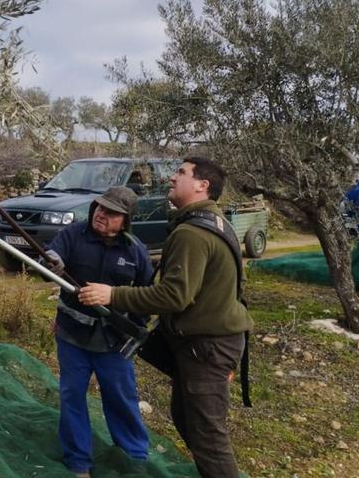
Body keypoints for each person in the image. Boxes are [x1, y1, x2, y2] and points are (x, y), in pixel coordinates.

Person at [79, 157, 253, 478]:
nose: (172, 178)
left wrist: (112, 295)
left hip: (208, 347)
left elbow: (174, 296)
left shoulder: (193, 233)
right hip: (210, 344)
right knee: (186, 418)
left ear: (202, 186)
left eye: (181, 173)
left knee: (208, 436)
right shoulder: (214, 223)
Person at [42, 186, 152, 478]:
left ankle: (134, 457)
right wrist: (51, 261)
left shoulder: (136, 251)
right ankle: (79, 462)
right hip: (72, 337)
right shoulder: (73, 235)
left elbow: (146, 296)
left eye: (112, 212)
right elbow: (51, 258)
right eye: (100, 208)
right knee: (71, 396)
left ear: (125, 220)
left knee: (121, 399)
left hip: (114, 342)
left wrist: (135, 331)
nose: (102, 214)